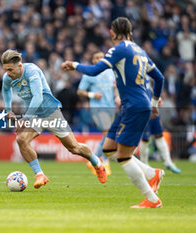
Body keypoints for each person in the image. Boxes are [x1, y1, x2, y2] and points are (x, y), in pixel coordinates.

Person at [61, 17, 165, 208]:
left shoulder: (118, 49)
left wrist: (74, 65)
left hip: (133, 107)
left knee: (124, 157)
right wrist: (155, 103)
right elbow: (159, 78)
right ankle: (152, 174)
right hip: (132, 106)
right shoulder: (140, 50)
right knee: (109, 150)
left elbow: (94, 71)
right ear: (131, 32)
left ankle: (152, 199)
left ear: (112, 33)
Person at [1, 49, 107, 189]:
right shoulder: (8, 77)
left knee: (74, 148)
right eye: (6, 69)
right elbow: (6, 89)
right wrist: (8, 110)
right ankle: (39, 174)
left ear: (19, 66)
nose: (8, 73)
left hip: (51, 112)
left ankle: (97, 163)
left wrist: (25, 118)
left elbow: (38, 97)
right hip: (35, 115)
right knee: (21, 139)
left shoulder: (32, 71)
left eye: (10, 69)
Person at [77, 50, 120, 176]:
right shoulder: (89, 74)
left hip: (110, 107)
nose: (100, 59)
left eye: (102, 57)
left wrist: (117, 97)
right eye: (97, 57)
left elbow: (115, 87)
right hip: (97, 108)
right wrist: (92, 94)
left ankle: (95, 160)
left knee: (107, 135)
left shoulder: (111, 71)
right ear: (93, 60)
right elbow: (80, 91)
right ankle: (103, 161)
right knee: (107, 133)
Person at [139, 77, 181, 174]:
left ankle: (168, 161)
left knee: (159, 135)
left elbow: (149, 89)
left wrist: (158, 98)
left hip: (153, 109)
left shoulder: (145, 74)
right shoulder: (133, 72)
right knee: (146, 138)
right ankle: (144, 163)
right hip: (143, 111)